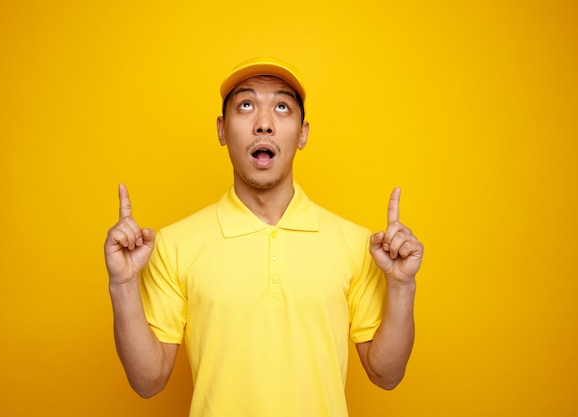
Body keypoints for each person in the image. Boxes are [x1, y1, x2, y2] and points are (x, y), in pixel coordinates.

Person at [104, 56, 424, 417]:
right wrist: (124, 284)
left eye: (282, 107)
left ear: (302, 133)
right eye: (246, 104)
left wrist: (401, 286)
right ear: (222, 129)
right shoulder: (175, 244)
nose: (264, 124)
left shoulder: (355, 243)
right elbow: (148, 382)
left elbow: (387, 374)